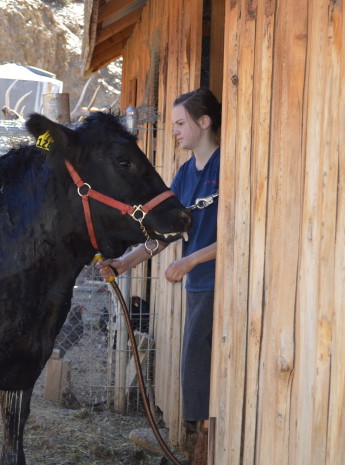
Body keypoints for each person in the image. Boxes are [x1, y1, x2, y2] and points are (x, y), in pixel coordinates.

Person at [97, 88, 221, 465]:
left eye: (181, 123)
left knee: (197, 366)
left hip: (222, 281)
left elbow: (244, 232)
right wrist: (123, 263)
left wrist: (191, 261)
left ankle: (200, 449)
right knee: (196, 367)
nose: (175, 131)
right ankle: (198, 444)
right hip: (200, 285)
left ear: (205, 122)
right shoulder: (185, 174)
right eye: (173, 125)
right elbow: (164, 236)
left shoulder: (229, 164)